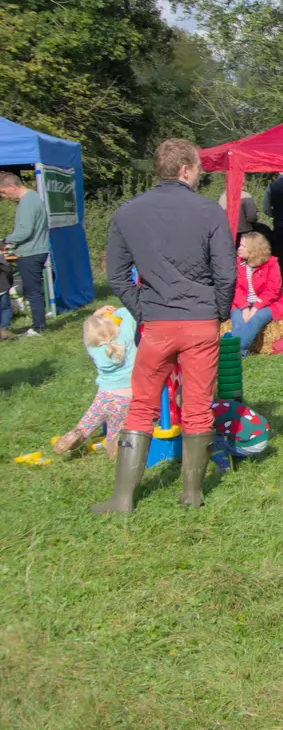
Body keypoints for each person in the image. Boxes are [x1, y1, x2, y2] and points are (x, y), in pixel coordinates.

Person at [97, 138, 235, 513]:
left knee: (141, 405)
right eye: (198, 170)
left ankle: (122, 498)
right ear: (186, 169)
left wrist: (142, 309)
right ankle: (192, 493)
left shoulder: (128, 212)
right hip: (200, 320)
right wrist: (218, 311)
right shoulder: (209, 212)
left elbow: (116, 274)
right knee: (197, 405)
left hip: (156, 321)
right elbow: (226, 272)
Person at [52, 306, 137, 457]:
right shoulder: (125, 337)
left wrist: (96, 314)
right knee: (115, 429)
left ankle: (77, 434)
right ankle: (114, 452)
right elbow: (129, 315)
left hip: (104, 394)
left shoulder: (92, 348)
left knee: (90, 419)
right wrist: (115, 312)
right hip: (124, 396)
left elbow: (89, 333)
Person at [0, 171, 49, 336]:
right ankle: (39, 323)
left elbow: (24, 231)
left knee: (32, 291)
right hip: (36, 250)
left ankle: (38, 328)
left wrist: (5, 240)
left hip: (31, 253)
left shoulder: (27, 202)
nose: (4, 196)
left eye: (3, 192)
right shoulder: (33, 198)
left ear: (12, 186)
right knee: (33, 290)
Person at [229, 232, 283, 354]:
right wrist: (245, 307)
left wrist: (256, 307)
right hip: (242, 302)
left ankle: (234, 351)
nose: (238, 248)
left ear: (253, 249)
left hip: (268, 304)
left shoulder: (271, 263)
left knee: (256, 319)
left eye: (243, 246)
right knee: (238, 321)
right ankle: (239, 352)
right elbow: (236, 288)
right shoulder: (237, 263)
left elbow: (273, 290)